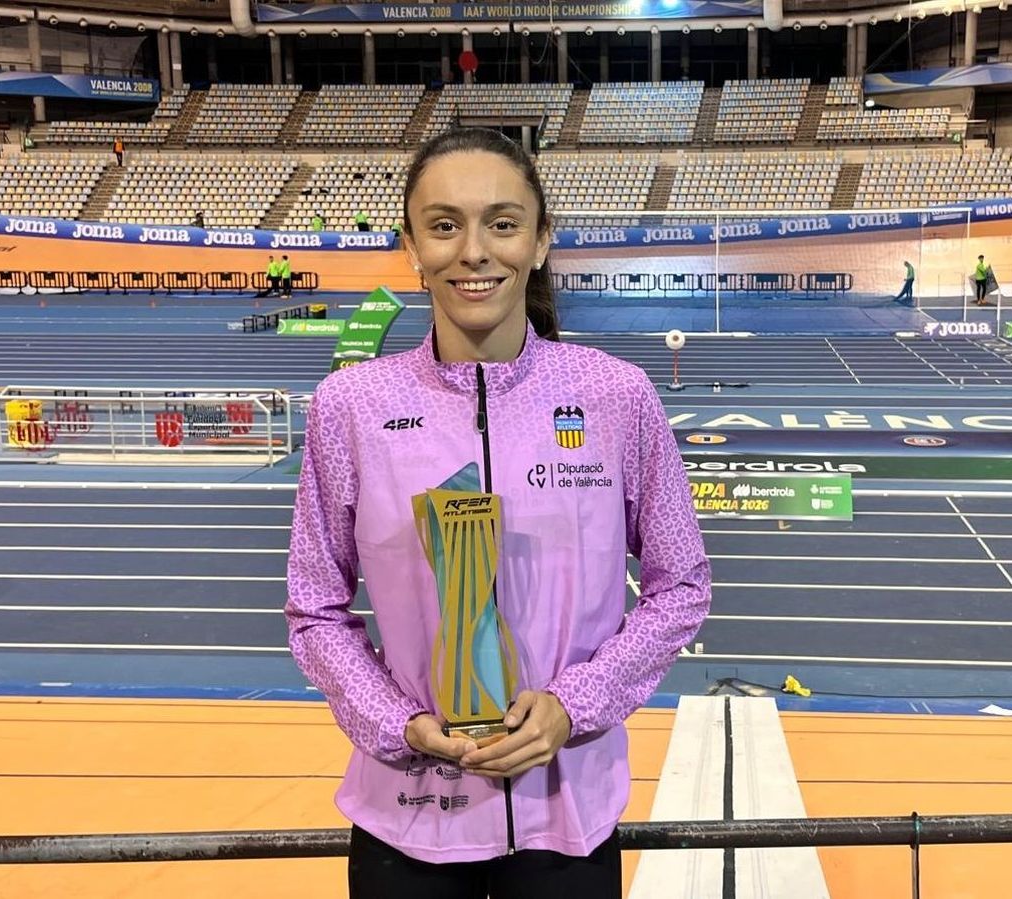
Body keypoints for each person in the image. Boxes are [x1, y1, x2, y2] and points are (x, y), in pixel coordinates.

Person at [285, 127, 711, 898]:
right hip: (405, 821)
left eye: (503, 223)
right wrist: (399, 725)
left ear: (541, 240)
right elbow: (314, 608)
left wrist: (571, 708)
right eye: (444, 225)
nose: (473, 251)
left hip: (568, 825)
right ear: (411, 247)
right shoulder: (349, 406)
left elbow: (682, 586)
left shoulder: (616, 396)